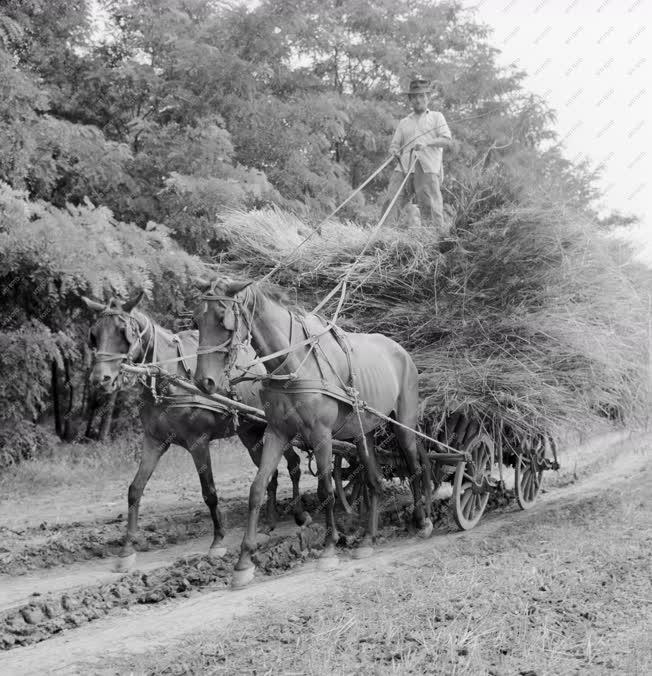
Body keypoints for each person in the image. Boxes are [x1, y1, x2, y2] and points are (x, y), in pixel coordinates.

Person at [383, 76, 453, 231]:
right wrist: (394, 151)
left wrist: (427, 143)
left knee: (430, 208)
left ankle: (433, 241)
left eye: (421, 96)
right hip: (404, 169)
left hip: (427, 168)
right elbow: (394, 146)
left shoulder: (437, 117)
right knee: (391, 201)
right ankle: (383, 237)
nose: (418, 100)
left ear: (428, 97)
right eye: (414, 97)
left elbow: (447, 141)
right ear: (410, 100)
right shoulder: (404, 122)